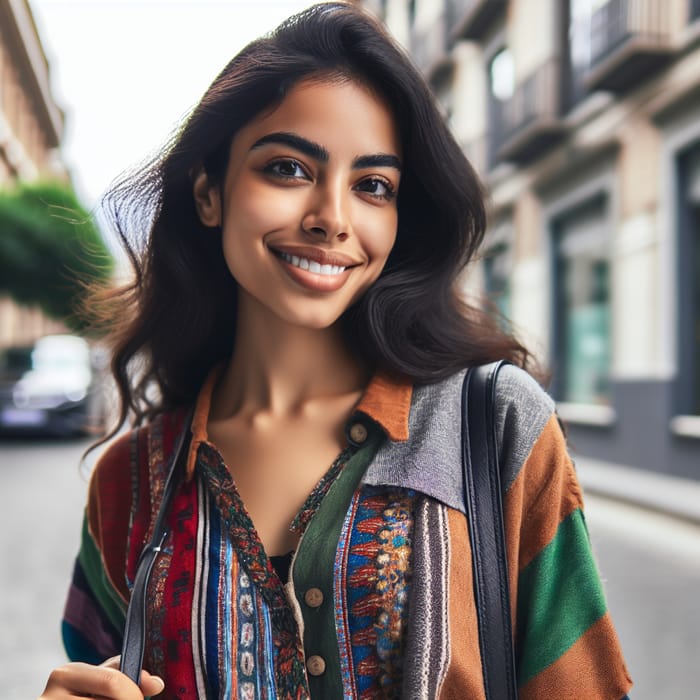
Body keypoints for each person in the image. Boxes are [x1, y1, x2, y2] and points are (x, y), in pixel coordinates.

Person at [39, 3, 632, 699]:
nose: (333, 218)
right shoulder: (129, 482)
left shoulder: (496, 427)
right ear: (208, 193)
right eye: (288, 168)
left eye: (373, 185)